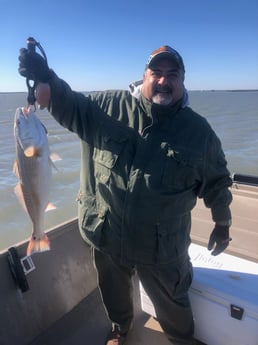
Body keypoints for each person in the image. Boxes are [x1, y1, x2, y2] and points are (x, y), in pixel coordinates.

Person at [18, 43, 232, 345]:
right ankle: (120, 328)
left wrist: (222, 224)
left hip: (161, 247)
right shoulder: (107, 106)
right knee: (113, 291)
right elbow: (68, 104)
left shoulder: (200, 133)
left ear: (183, 81)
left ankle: (180, 338)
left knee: (173, 303)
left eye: (172, 74)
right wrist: (45, 75)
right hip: (107, 234)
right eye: (156, 72)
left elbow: (218, 181)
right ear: (143, 76)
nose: (163, 80)